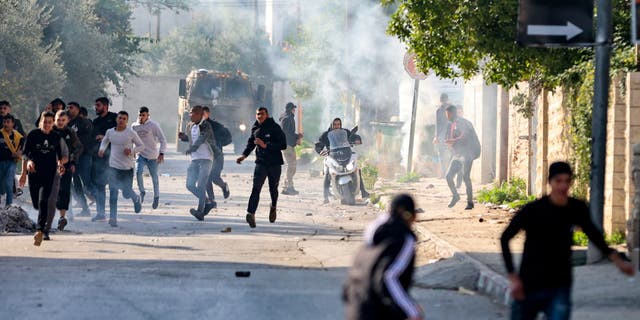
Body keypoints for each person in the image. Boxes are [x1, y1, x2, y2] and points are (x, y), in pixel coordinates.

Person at [500, 162, 635, 320]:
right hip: (530, 283)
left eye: (567, 181)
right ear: (550, 182)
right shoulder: (534, 210)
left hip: (560, 283)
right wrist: (512, 276)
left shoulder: (576, 208)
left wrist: (617, 260)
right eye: (558, 181)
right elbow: (505, 238)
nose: (563, 186)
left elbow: (594, 235)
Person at [343, 194, 423, 320]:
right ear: (409, 214)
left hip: (356, 308)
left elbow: (351, 280)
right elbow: (389, 277)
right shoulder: (403, 239)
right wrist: (411, 310)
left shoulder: (372, 239)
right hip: (377, 312)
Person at [19, 111, 67, 246]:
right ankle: (41, 227)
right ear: (41, 122)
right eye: (44, 122)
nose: (46, 124)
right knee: (36, 203)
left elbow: (59, 155)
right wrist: (25, 169)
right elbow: (25, 154)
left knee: (43, 201)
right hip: (34, 172)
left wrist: (60, 165)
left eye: (49, 122)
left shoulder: (55, 137)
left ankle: (41, 230)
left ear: (53, 124)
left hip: (49, 173)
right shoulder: (33, 135)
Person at [236, 107, 286, 228]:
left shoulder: (275, 127)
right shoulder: (255, 128)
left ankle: (273, 206)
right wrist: (244, 155)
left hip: (274, 163)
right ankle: (251, 213)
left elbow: (283, 144)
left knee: (273, 189)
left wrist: (266, 145)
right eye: (258, 114)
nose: (260, 116)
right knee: (256, 188)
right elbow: (251, 143)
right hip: (261, 163)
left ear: (267, 115)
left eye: (262, 114)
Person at [98, 111, 144, 227]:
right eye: (119, 118)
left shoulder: (131, 133)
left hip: (127, 168)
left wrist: (132, 151)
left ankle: (136, 198)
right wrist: (102, 149)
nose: (121, 120)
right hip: (113, 167)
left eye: (124, 118)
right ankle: (113, 218)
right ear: (116, 119)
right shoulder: (110, 132)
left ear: (127, 121)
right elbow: (105, 141)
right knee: (113, 193)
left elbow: (141, 146)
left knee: (126, 193)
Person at [178, 105, 219, 221]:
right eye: (190, 113)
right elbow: (192, 138)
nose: (190, 115)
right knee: (189, 185)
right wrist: (184, 137)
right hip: (195, 159)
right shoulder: (190, 125)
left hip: (206, 158)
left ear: (200, 115)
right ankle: (208, 201)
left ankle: (200, 211)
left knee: (201, 185)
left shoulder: (206, 125)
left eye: (193, 113)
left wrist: (192, 148)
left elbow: (201, 138)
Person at [316, 118, 369, 204]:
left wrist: (357, 140)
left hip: (346, 153)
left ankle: (363, 191)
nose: (337, 126)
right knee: (328, 173)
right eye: (335, 124)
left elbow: (352, 137)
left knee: (356, 169)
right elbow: (319, 145)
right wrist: (320, 150)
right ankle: (325, 196)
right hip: (332, 155)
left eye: (338, 124)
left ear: (340, 124)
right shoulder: (326, 135)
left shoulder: (345, 132)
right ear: (332, 125)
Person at [444, 105, 480, 210]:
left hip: (468, 152)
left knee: (465, 176)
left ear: (452, 113)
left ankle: (470, 202)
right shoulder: (450, 124)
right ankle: (456, 196)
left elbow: (466, 137)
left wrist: (453, 141)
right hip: (458, 153)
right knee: (448, 176)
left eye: (448, 114)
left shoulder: (464, 123)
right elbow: (449, 138)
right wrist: (449, 143)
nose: (447, 117)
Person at [131, 106, 167, 209]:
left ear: (148, 115)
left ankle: (156, 197)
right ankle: (142, 191)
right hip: (140, 155)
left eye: (143, 115)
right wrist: (132, 150)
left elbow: (163, 139)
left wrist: (162, 153)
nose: (141, 117)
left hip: (152, 156)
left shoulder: (153, 125)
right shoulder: (134, 126)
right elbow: (131, 139)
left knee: (154, 177)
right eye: (140, 115)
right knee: (138, 173)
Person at [53, 110, 83, 230]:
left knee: (64, 190)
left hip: (66, 165)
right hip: (49, 165)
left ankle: (62, 217)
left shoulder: (70, 132)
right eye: (58, 120)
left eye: (63, 120)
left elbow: (79, 147)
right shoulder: (49, 130)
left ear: (67, 121)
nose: (60, 122)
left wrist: (73, 161)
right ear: (55, 119)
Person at [90, 97, 117, 222]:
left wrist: (106, 137)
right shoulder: (95, 122)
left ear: (106, 106)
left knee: (113, 187)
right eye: (96, 105)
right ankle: (101, 213)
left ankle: (113, 215)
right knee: (100, 185)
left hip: (113, 157)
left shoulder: (115, 118)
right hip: (99, 158)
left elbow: (121, 134)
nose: (96, 107)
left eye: (98, 105)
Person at [67, 102, 93, 216]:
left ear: (77, 109)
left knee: (86, 182)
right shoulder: (67, 123)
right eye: (67, 107)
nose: (68, 109)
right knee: (76, 183)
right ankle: (85, 208)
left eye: (71, 107)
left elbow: (85, 140)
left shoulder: (84, 122)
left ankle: (98, 200)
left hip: (84, 156)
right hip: (73, 158)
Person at [202, 106, 231, 206]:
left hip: (217, 157)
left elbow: (228, 138)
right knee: (206, 178)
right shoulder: (197, 126)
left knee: (214, 177)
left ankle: (223, 186)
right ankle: (211, 200)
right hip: (205, 157)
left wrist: (219, 144)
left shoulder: (216, 126)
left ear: (208, 113)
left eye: (203, 113)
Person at [279, 102, 303, 195]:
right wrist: (297, 136)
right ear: (290, 109)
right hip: (287, 145)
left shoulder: (286, 117)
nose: (294, 110)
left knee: (291, 166)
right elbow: (286, 133)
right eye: (293, 108)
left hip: (287, 144)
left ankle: (286, 187)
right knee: (291, 166)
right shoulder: (288, 118)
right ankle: (289, 187)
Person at [0, 115, 23, 206]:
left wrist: (19, 153)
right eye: (4, 122)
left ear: (13, 124)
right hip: (0, 162)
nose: (6, 124)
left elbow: (22, 148)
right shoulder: (0, 134)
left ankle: (8, 206)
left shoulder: (18, 136)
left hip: (11, 163)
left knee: (9, 183)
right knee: (1, 186)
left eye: (8, 122)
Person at [433, 93, 451, 179]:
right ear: (447, 99)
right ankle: (450, 173)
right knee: (451, 154)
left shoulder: (439, 110)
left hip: (441, 135)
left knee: (441, 155)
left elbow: (437, 124)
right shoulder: (452, 108)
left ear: (440, 100)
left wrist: (436, 136)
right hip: (451, 135)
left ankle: (445, 173)